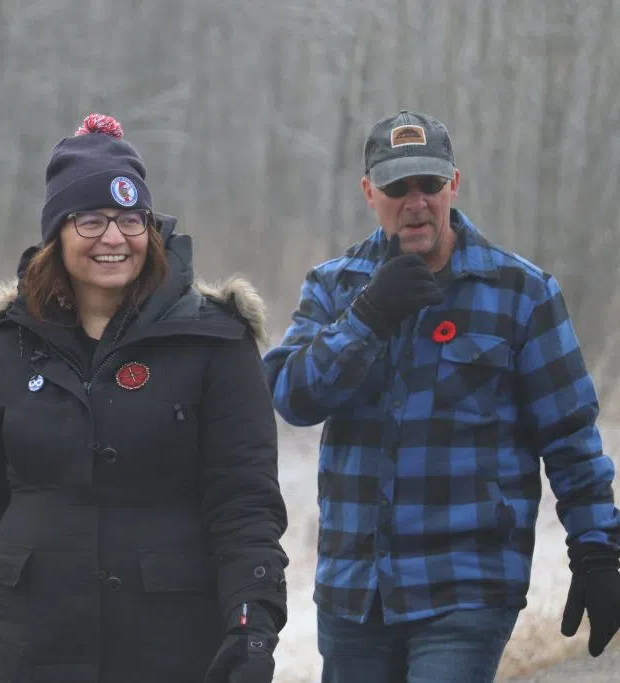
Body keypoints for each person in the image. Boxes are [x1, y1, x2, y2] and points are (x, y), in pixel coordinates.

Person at [0, 114, 289, 683]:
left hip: (169, 646)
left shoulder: (216, 341)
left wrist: (253, 624)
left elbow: (244, 500)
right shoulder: (9, 344)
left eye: (132, 220)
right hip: (23, 646)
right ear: (57, 232)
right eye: (93, 219)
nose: (114, 238)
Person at [264, 110, 620, 682]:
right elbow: (294, 397)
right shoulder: (335, 287)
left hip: (467, 584)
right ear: (368, 192)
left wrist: (597, 549)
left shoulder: (520, 292)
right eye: (395, 187)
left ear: (453, 183)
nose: (415, 202)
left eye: (429, 184)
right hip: (355, 590)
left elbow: (571, 436)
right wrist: (367, 317)